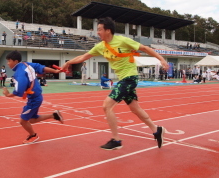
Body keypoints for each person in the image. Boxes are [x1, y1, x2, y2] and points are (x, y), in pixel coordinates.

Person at [61, 17, 169, 150]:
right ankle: (156, 129)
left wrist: (162, 60)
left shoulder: (122, 40)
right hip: (123, 79)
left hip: (130, 78)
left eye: (100, 29)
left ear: (108, 30)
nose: (98, 32)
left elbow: (145, 48)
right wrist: (68, 63)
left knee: (107, 106)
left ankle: (116, 140)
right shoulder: (100, 46)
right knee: (135, 108)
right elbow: (83, 57)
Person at [2, 50, 64, 144]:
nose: (7, 63)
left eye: (9, 61)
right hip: (36, 96)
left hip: (34, 99)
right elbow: (41, 68)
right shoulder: (26, 64)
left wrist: (7, 94)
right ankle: (53, 115)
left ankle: (33, 135)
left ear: (15, 61)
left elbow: (19, 90)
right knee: (31, 119)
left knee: (23, 121)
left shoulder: (20, 73)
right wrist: (54, 71)